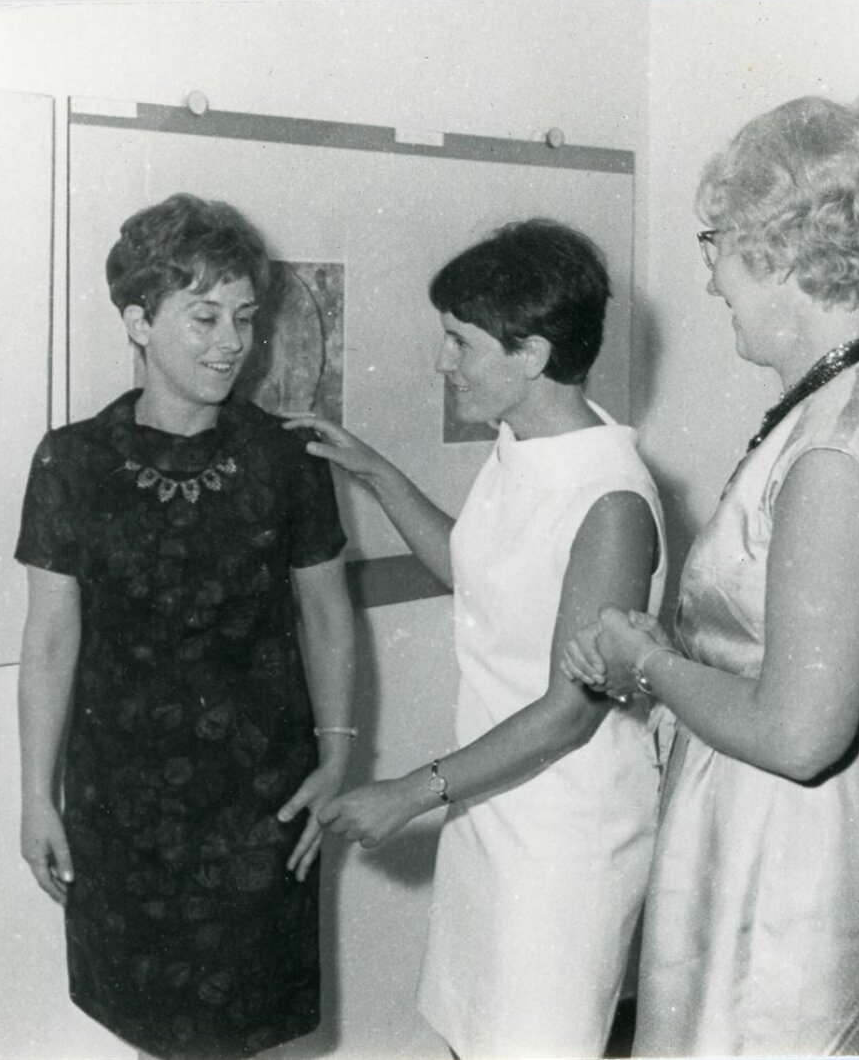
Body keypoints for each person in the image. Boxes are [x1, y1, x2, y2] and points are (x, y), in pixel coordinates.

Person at [562, 96, 859, 1055]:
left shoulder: (839, 447)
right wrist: (679, 653)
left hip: (787, 854)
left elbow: (796, 733)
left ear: (781, 245)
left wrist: (646, 662)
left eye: (717, 245)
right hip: (816, 826)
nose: (710, 278)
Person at [286, 219, 667, 1059]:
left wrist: (411, 792)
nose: (442, 361)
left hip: (563, 839)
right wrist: (376, 472)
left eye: (461, 341)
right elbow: (478, 569)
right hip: (493, 810)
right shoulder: (522, 446)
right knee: (472, 1038)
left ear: (531, 354)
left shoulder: (610, 501)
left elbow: (569, 712)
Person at [14, 193, 355, 1060]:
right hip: (121, 804)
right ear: (138, 320)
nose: (231, 341)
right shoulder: (71, 461)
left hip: (260, 798)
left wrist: (338, 753)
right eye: (204, 316)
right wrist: (35, 795)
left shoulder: (286, 457)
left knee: (241, 1033)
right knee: (152, 1032)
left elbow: (326, 612)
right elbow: (50, 639)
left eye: (244, 316)